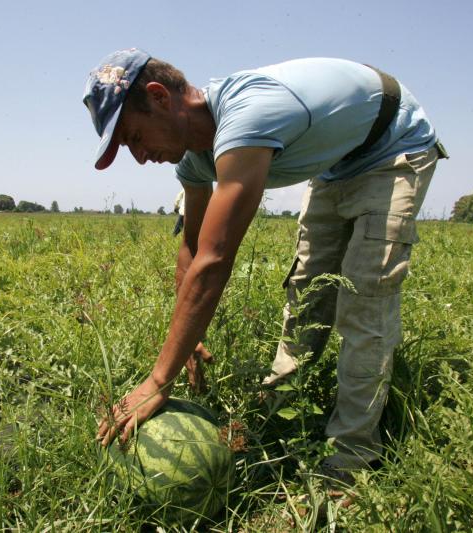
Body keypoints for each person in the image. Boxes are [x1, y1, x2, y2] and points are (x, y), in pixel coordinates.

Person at [84, 48, 446, 484]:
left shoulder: (248, 117)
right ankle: (281, 409)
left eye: (134, 138)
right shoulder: (194, 156)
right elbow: (192, 250)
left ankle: (351, 459)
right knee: (308, 293)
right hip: (336, 164)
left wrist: (158, 379)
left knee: (362, 302)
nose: (140, 157)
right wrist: (188, 337)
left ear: (160, 98)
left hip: (391, 147)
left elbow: (216, 260)